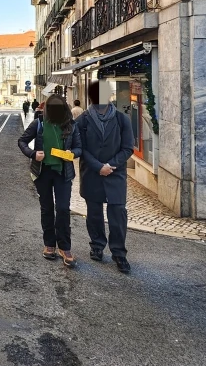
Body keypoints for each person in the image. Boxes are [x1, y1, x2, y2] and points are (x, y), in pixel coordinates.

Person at [74, 81, 135, 273]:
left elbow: (128, 148)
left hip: (115, 174)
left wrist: (111, 165)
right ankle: (97, 246)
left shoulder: (121, 119)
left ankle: (119, 253)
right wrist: (98, 167)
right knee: (94, 214)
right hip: (92, 173)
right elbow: (81, 148)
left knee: (117, 213)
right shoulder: (82, 121)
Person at [18, 94, 83, 266]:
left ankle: (65, 247)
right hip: (43, 173)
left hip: (63, 173)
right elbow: (22, 141)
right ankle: (49, 244)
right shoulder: (39, 123)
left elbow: (79, 147)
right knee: (47, 208)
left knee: (62, 209)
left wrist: (73, 154)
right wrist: (33, 154)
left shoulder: (70, 125)